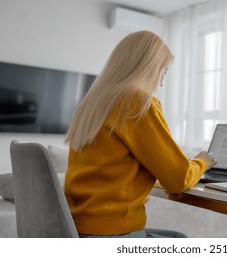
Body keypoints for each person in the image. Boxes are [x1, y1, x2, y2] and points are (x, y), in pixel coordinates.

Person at [64, 31, 216, 238]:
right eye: (165, 71)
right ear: (150, 68)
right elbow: (178, 179)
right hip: (113, 233)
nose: (162, 82)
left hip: (78, 228)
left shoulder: (92, 105)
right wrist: (202, 162)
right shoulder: (136, 102)